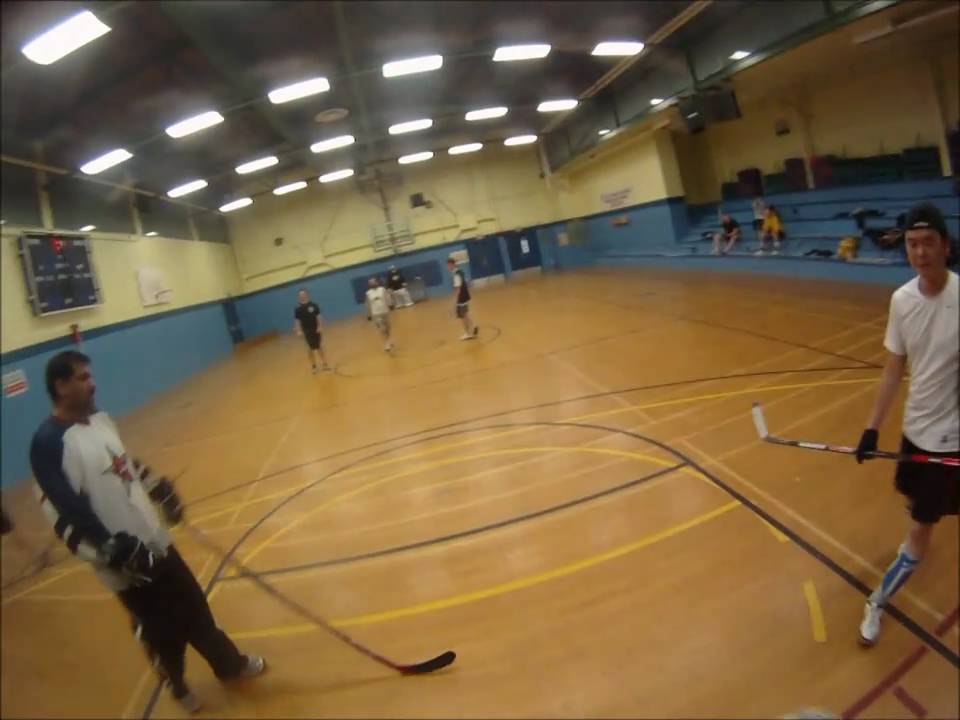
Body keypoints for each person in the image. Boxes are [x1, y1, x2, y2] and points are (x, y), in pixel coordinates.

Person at [29, 351, 266, 712]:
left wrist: (160, 489)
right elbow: (62, 514)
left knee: (195, 609)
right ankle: (177, 683)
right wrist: (110, 552)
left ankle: (229, 665)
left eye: (89, 375)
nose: (91, 383)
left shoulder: (99, 421)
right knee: (162, 632)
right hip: (125, 562)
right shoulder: (49, 444)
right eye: (81, 377)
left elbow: (128, 466)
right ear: (60, 386)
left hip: (155, 539)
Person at [854, 201, 958, 646]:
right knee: (916, 500)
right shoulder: (901, 300)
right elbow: (893, 368)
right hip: (915, 431)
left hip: (949, 441)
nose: (919, 252)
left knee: (920, 532)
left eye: (927, 242)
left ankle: (876, 600)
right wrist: (872, 428)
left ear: (945, 246)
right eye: (912, 244)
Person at [293, 289, 329, 373]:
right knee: (309, 349)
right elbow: (297, 320)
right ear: (299, 297)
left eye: (304, 294)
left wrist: (320, 326)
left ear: (307, 295)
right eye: (300, 295)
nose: (302, 296)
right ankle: (314, 366)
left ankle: (325, 364)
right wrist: (298, 330)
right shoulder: (297, 309)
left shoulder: (314, 305)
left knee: (320, 346)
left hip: (315, 329)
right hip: (306, 330)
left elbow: (319, 316)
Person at [447, 256, 478, 340]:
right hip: (465, 296)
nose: (448, 267)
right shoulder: (460, 271)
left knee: (462, 316)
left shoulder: (456, 275)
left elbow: (458, 288)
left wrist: (455, 301)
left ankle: (468, 333)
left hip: (461, 298)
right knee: (465, 314)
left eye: (448, 265)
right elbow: (466, 282)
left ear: (452, 264)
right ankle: (474, 326)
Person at [365, 277, 394, 351]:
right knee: (382, 329)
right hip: (376, 314)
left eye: (373, 282)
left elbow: (387, 297)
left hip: (385, 311)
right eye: (370, 282)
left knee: (388, 328)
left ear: (377, 282)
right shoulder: (368, 293)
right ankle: (386, 344)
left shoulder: (382, 289)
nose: (372, 283)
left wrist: (390, 304)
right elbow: (367, 304)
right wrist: (368, 314)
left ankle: (389, 340)